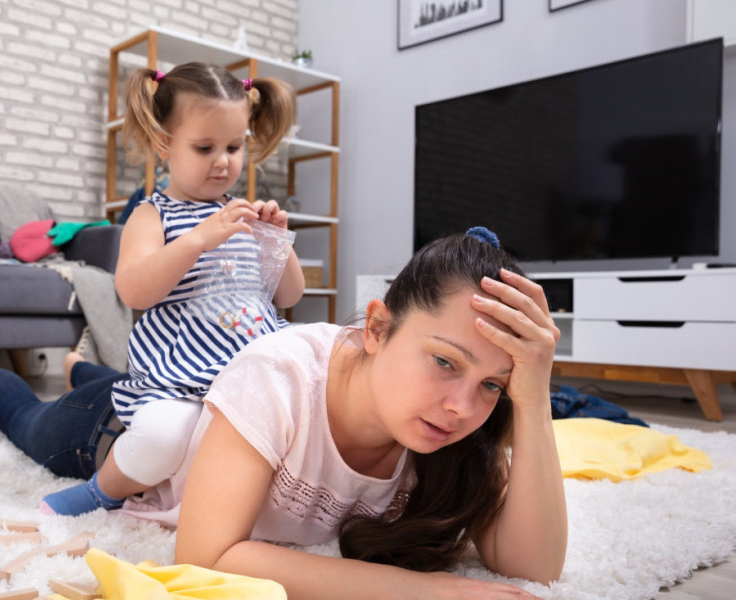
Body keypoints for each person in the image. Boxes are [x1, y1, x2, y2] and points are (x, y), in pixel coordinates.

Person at [0, 61, 304, 519]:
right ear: (163, 143)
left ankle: (77, 368)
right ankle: (94, 485)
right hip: (176, 386)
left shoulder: (243, 216)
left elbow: (288, 295)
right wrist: (200, 238)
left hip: (235, 382)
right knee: (161, 436)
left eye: (233, 146)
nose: (223, 161)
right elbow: (133, 291)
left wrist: (277, 242)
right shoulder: (155, 215)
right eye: (205, 147)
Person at [115, 227, 567, 598]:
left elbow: (533, 567)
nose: (461, 408)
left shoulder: (466, 431)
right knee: (62, 422)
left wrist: (533, 400)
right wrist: (423, 591)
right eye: (444, 362)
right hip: (117, 428)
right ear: (376, 328)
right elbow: (203, 557)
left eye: (492, 384)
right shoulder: (277, 374)